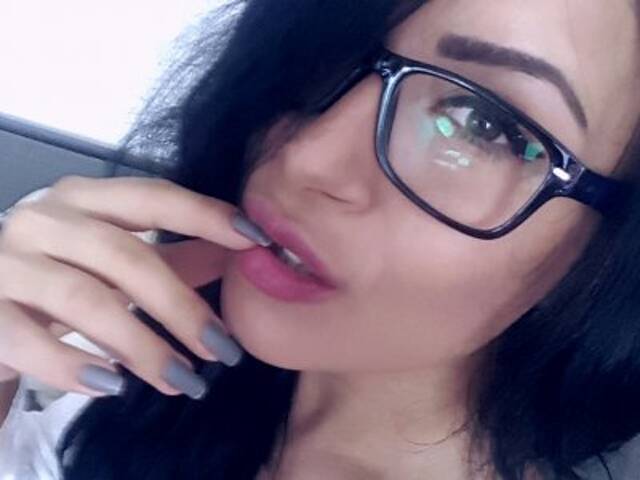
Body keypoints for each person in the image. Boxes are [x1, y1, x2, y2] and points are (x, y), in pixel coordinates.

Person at [1, 0, 640, 478]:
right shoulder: (129, 387)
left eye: (484, 125)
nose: (307, 156)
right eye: (337, 54)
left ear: (609, 256)